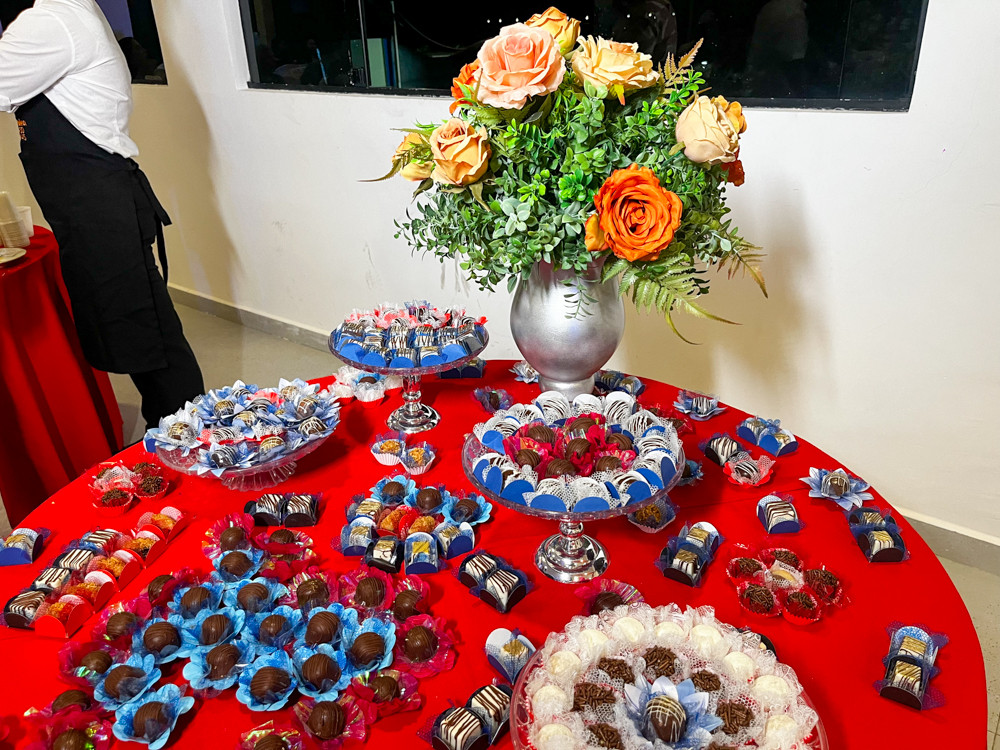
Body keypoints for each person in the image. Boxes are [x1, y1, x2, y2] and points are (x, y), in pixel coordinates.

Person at [0, 0, 203, 429]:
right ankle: (173, 432)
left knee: (148, 335)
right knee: (135, 329)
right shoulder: (73, 11)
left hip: (97, 206)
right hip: (91, 204)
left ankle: (189, 438)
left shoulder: (51, 20)